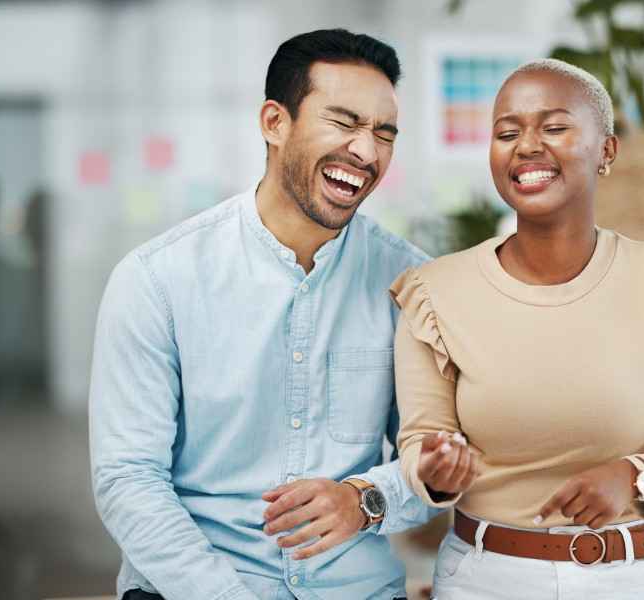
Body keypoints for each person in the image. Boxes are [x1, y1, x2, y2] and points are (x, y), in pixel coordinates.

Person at [90, 29, 437, 600]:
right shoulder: (156, 279)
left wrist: (368, 499)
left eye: (384, 133)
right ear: (275, 123)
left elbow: (436, 460)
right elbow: (127, 480)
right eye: (344, 122)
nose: (367, 152)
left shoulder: (412, 286)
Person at [391, 59, 644, 600]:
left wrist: (636, 476)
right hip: (484, 580)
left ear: (607, 150)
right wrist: (435, 470)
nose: (527, 145)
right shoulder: (434, 294)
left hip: (631, 577)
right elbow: (418, 442)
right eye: (507, 133)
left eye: (554, 127)